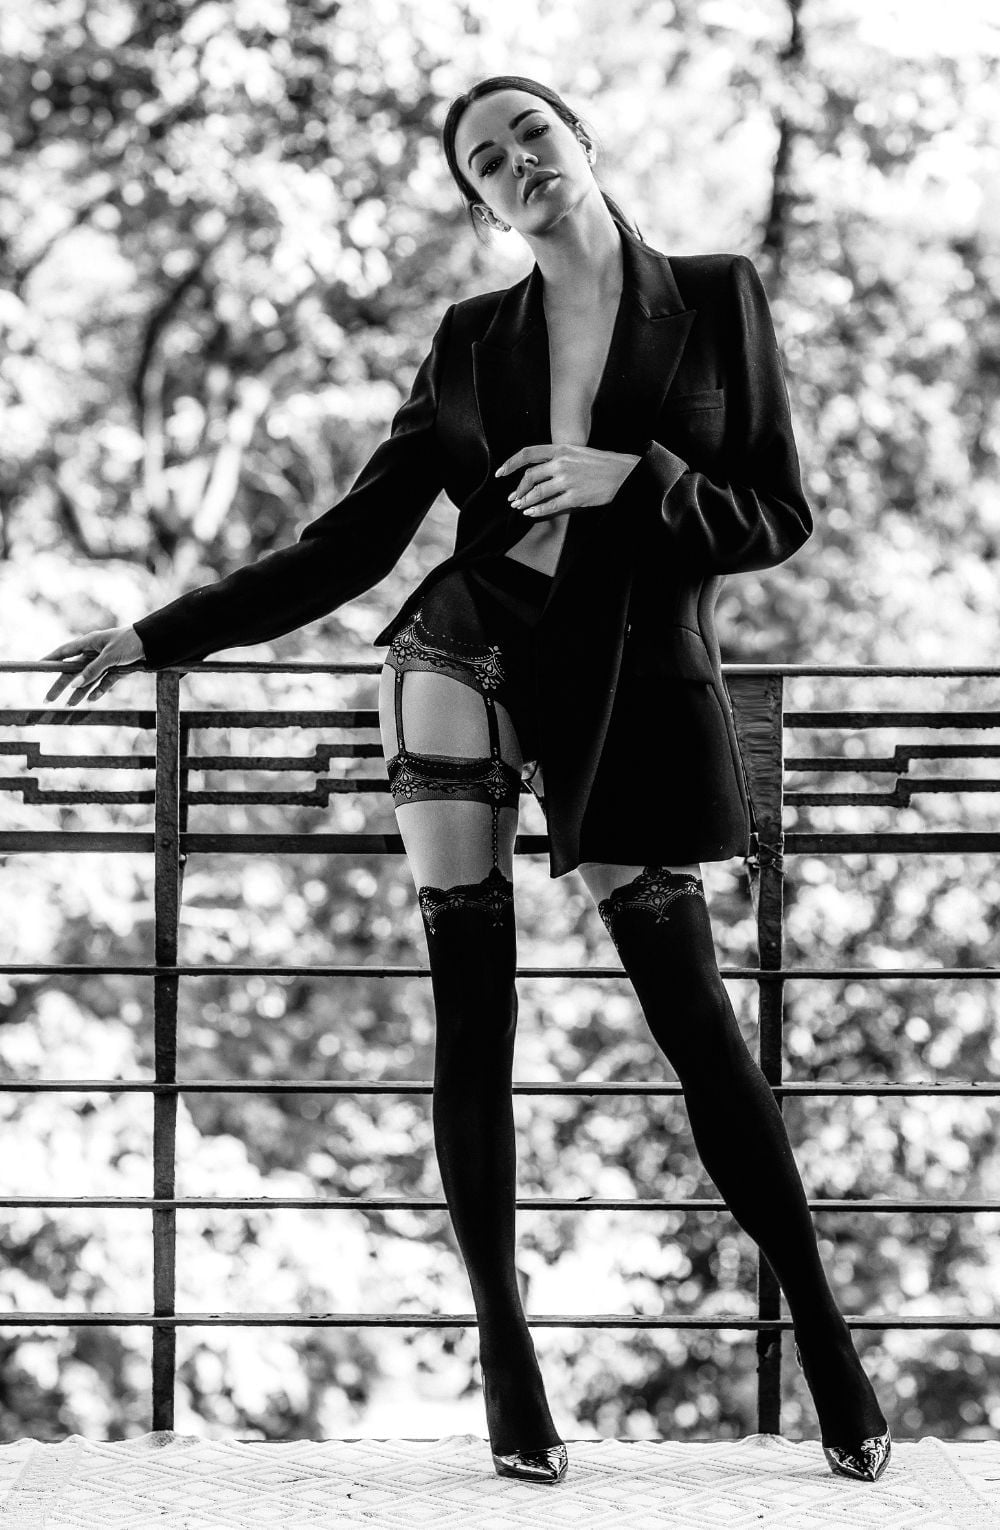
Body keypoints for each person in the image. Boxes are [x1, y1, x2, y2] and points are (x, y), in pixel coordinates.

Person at [42, 75, 890, 1486]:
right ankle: (507, 1358)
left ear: (582, 140)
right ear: (482, 203)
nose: (519, 162)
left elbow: (778, 516)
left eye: (532, 134)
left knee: (695, 1018)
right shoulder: (468, 341)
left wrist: (637, 479)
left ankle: (831, 1346)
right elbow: (351, 543)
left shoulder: (714, 294)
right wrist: (158, 634)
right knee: (470, 1006)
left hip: (628, 681)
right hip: (465, 648)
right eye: (488, 160)